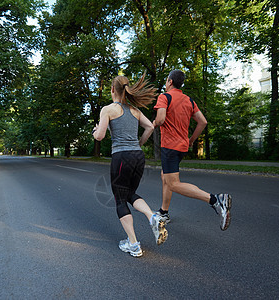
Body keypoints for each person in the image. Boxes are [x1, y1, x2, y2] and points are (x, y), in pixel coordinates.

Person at [93, 73, 168, 257]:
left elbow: (100, 136)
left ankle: (133, 244)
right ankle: (152, 216)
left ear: (112, 90)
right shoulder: (134, 110)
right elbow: (150, 127)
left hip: (121, 156)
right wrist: (139, 144)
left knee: (119, 199)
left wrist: (95, 131)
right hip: (138, 156)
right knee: (130, 194)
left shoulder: (108, 110)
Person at [153, 70, 232, 231]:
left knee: (173, 183)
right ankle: (164, 212)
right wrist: (191, 140)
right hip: (182, 147)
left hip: (169, 146)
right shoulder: (189, 100)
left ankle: (215, 200)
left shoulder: (164, 97)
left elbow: (160, 119)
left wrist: (151, 124)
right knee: (165, 176)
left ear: (169, 82)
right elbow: (202, 122)